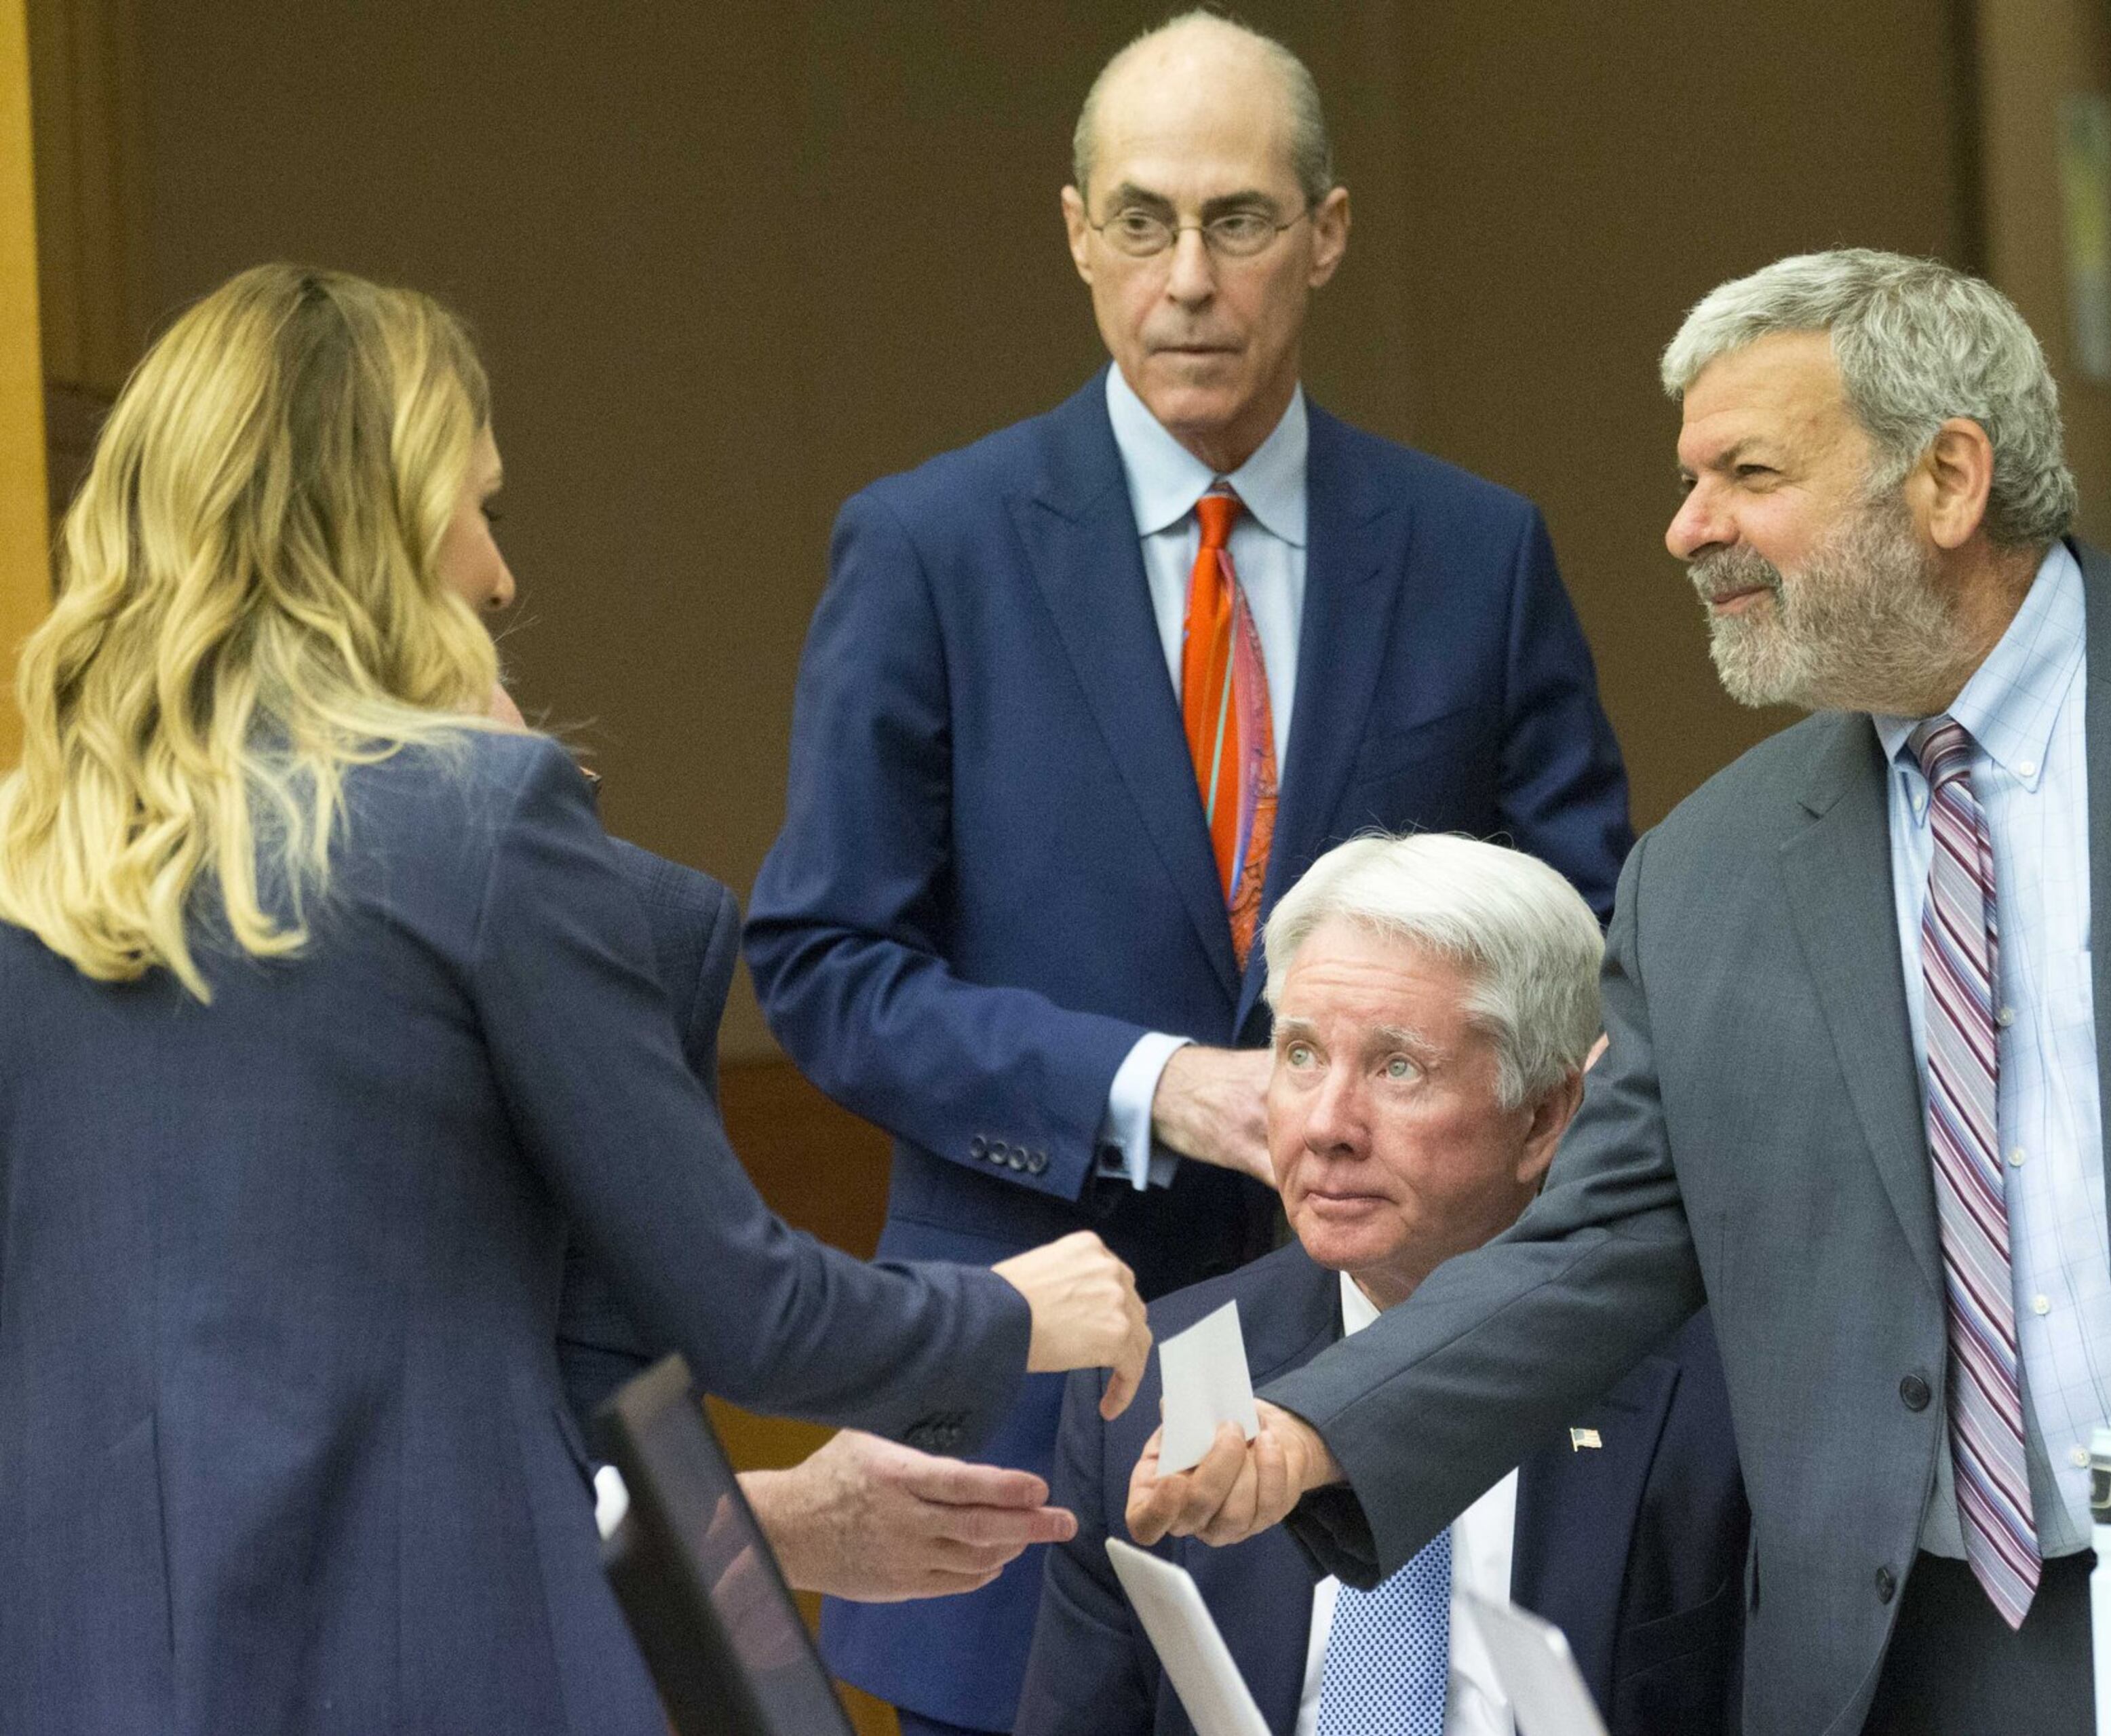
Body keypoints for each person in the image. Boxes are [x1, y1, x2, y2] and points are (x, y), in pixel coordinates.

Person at [1125, 249, 2111, 1736]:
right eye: (1689, 476)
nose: (1687, 527)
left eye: (1745, 472)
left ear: (1950, 479)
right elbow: (1596, 1244)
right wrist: (1324, 1420)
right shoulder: (1706, 877)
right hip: (1952, 1650)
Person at [0, 263, 1152, 1736]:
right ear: (378, 534)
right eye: (477, 508)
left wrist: (769, 1519)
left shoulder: (35, 876)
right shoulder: (475, 822)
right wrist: (1014, 1310)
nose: (498, 573)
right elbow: (742, 1309)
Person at [745, 13, 1631, 1731]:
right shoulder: (930, 547)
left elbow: (1586, 941)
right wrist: (1157, 1087)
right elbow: (827, 959)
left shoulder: (1473, 550)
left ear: (1328, 233)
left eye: (1238, 220)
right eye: (1141, 221)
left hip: (1417, 1394)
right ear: (1077, 233)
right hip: (1033, 1419)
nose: (1189, 279)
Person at [1014, 834, 1740, 1736]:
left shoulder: (1726, 1395)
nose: (1327, 1126)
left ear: (1547, 1115)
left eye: (1399, 1068)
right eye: (1302, 1055)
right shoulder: (1158, 1377)